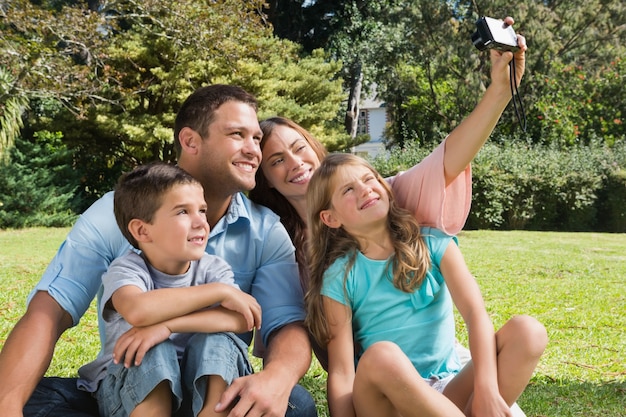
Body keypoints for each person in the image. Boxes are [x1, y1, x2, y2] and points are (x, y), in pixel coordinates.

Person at [0, 85, 316, 417]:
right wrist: (8, 406)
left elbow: (285, 325)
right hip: (134, 387)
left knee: (295, 405)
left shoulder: (264, 229)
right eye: (238, 134)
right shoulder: (117, 214)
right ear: (191, 141)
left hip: (213, 389)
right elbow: (49, 312)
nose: (254, 150)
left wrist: (277, 379)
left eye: (256, 139)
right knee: (33, 398)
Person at [249, 16, 527, 367]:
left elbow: (451, 156)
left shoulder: (381, 197)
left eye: (298, 146)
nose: (295, 162)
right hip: (374, 382)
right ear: (266, 181)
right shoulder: (279, 246)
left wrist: (500, 91)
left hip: (436, 365)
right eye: (276, 160)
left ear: (314, 146)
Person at [304, 153, 547, 417]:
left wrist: (486, 388)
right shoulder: (340, 276)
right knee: (381, 355)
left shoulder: (433, 243)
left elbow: (476, 315)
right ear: (331, 218)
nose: (365, 189)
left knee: (528, 331)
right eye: (348, 189)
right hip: (388, 402)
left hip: (447, 388)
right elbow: (341, 370)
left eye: (369, 178)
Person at [78, 162, 262, 417]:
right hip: (131, 395)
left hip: (194, 388)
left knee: (220, 340)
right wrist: (220, 292)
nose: (201, 221)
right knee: (152, 348)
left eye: (202, 210)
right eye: (183, 212)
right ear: (142, 230)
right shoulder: (127, 269)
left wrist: (167, 326)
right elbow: (138, 311)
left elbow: (243, 318)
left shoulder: (212, 269)